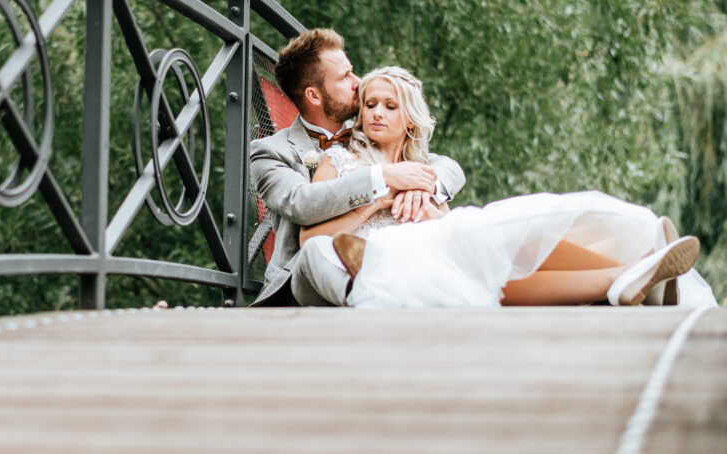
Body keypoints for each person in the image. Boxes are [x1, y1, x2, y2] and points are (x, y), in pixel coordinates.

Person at [300, 65, 715, 307]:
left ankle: (634, 267)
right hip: (402, 262)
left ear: (409, 119)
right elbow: (311, 239)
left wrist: (430, 209)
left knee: (498, 234)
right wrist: (377, 199)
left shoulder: (425, 169)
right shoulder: (342, 161)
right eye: (370, 104)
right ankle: (632, 273)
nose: (376, 114)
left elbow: (440, 220)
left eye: (390, 106)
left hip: (440, 240)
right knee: (480, 264)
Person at [250, 29, 466, 306]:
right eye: (345, 76)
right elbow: (302, 203)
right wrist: (381, 179)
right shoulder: (271, 152)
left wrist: (424, 188)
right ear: (314, 96)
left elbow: (444, 165)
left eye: (353, 72)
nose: (358, 82)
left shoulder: (372, 132)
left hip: (391, 260)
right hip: (306, 279)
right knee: (317, 251)